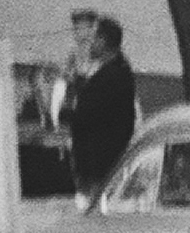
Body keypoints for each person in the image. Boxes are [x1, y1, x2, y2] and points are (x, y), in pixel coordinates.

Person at [59, 10, 138, 197]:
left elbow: (83, 117)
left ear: (102, 41)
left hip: (99, 167)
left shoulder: (110, 77)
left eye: (93, 39)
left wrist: (68, 100)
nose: (89, 44)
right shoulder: (117, 70)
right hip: (104, 163)